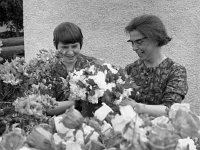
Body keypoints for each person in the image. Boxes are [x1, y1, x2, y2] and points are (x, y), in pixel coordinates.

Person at [120, 15, 188, 117]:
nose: (134, 48)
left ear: (155, 38)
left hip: (161, 130)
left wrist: (137, 107)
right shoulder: (130, 69)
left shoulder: (176, 71)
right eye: (132, 43)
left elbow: (170, 109)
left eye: (139, 42)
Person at [47, 22, 102, 116]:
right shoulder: (48, 70)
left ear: (81, 43)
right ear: (55, 45)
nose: (70, 52)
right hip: (58, 124)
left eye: (74, 46)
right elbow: (47, 107)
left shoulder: (92, 65)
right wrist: (77, 102)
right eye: (64, 47)